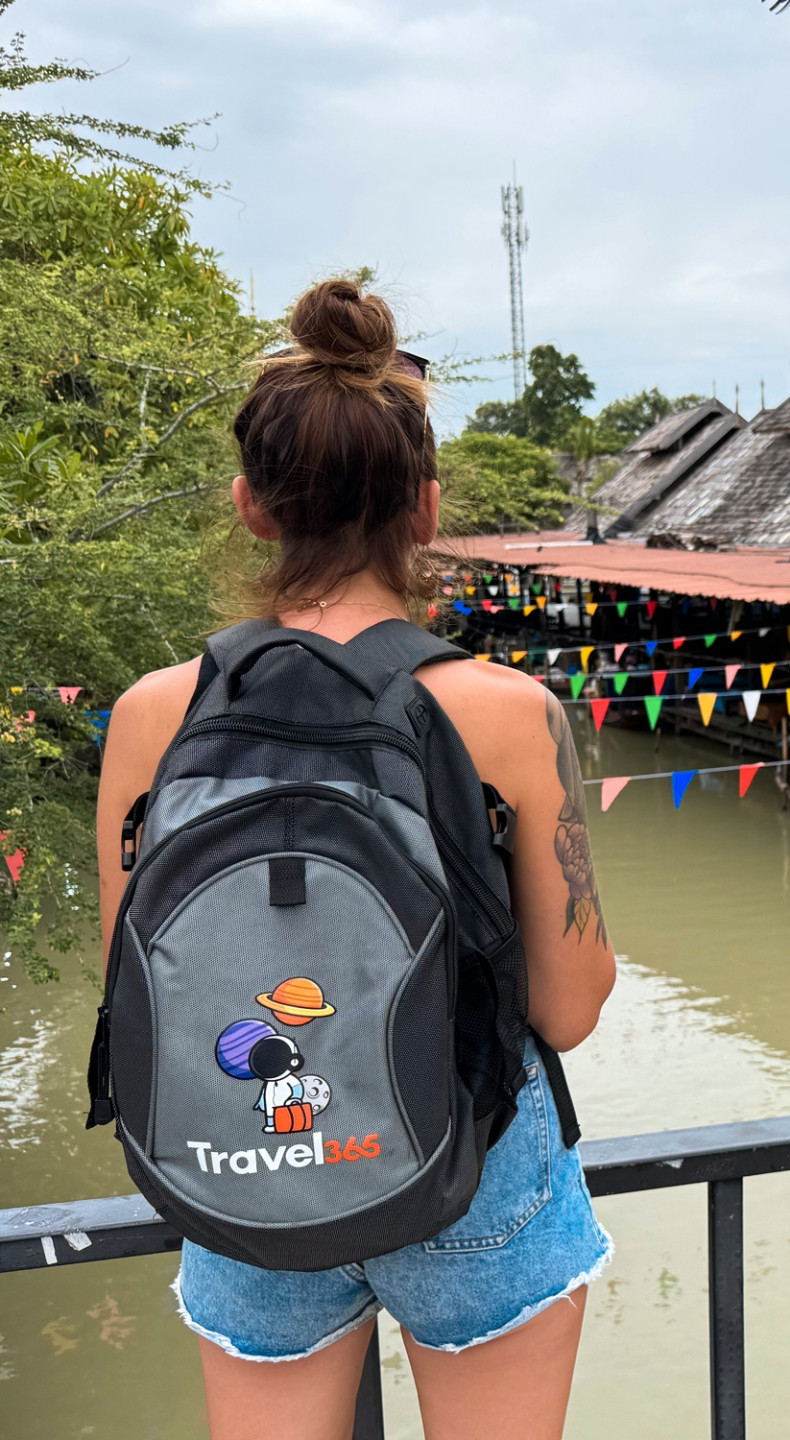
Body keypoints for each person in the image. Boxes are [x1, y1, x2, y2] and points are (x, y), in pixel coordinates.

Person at [95, 279, 617, 1440]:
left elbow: (137, 990)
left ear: (249, 505)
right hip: (469, 1155)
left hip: (241, 1152)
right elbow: (571, 1009)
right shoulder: (509, 712)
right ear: (425, 509)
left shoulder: (146, 716)